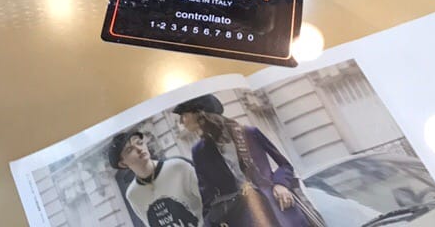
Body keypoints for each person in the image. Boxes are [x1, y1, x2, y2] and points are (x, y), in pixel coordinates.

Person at [172, 95, 325, 227]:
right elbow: (207, 195)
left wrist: (280, 184)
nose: (181, 122)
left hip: (278, 207)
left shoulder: (249, 133)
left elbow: (285, 165)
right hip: (242, 217)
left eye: (184, 115)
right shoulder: (199, 152)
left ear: (200, 114)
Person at [108, 127, 204, 227]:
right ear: (123, 163)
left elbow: (208, 199)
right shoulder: (133, 194)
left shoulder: (178, 167)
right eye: (129, 150)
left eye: (139, 143)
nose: (139, 149)